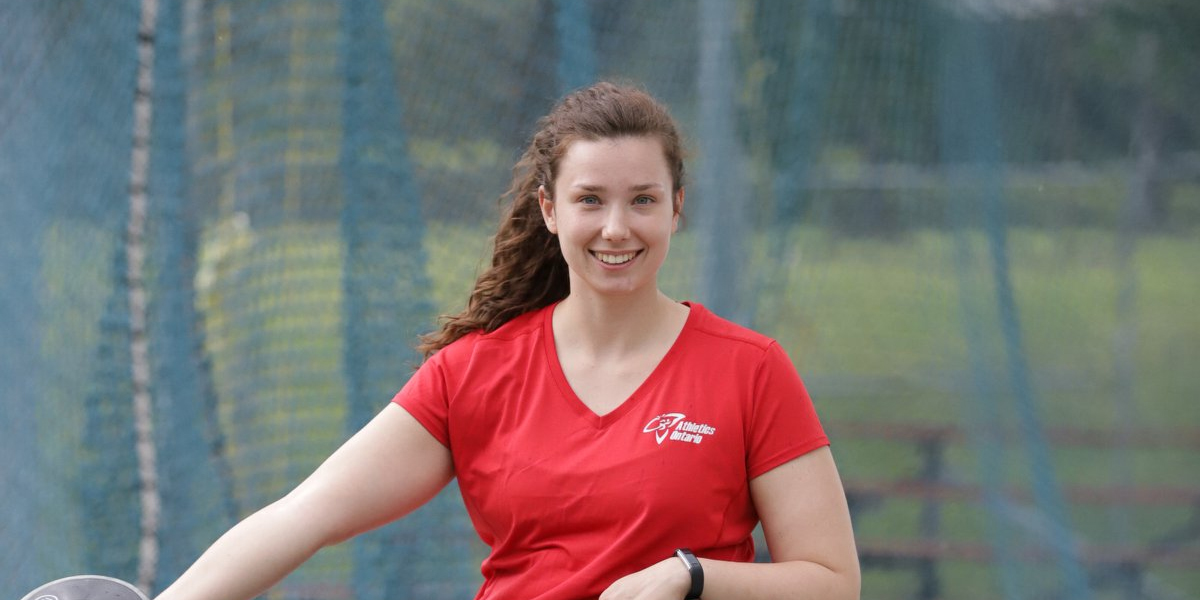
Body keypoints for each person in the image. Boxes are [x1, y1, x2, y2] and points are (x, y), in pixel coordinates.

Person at [154, 82, 860, 600]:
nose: (617, 228)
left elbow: (832, 582)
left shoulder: (750, 370)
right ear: (550, 210)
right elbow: (303, 517)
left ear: (677, 207)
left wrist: (691, 574)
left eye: (642, 199)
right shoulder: (474, 374)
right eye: (590, 200)